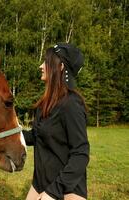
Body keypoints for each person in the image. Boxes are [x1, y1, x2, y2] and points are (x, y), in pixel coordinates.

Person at [23, 43, 90, 200]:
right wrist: (4, 132)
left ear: (60, 67)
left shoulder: (71, 104)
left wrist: (54, 192)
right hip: (40, 184)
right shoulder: (44, 105)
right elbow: (36, 135)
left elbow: (81, 153)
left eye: (46, 62)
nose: (40, 66)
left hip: (67, 189)